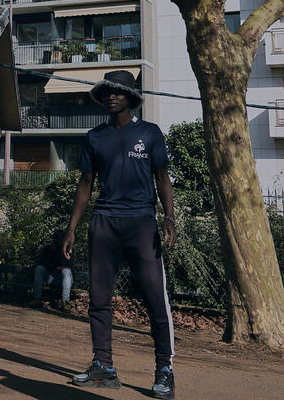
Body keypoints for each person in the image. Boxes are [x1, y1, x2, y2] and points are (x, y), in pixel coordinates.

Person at [62, 69, 176, 398]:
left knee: (155, 297)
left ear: (131, 97)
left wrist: (169, 216)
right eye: (107, 92)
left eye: (119, 91)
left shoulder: (150, 133)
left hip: (141, 223)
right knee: (98, 300)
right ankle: (103, 367)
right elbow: (85, 184)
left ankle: (164, 370)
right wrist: (72, 227)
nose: (112, 96)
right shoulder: (94, 137)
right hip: (104, 223)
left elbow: (162, 177)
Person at [31, 233, 73, 308]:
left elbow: (68, 267)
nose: (59, 241)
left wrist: (59, 252)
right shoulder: (48, 249)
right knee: (39, 268)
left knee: (66, 271)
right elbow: (40, 261)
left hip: (64, 280)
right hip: (50, 277)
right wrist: (56, 267)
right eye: (57, 238)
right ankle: (37, 299)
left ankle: (65, 302)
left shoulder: (68, 250)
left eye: (61, 239)